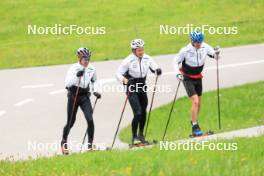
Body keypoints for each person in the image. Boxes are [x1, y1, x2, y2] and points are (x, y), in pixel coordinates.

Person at [116, 39, 162, 145]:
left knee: (144, 112)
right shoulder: (128, 60)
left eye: (142, 50)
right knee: (137, 112)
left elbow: (155, 68)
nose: (141, 52)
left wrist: (158, 71)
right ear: (134, 51)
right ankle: (134, 137)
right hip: (131, 86)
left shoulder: (147, 58)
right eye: (139, 50)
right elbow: (118, 73)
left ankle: (141, 135)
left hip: (142, 85)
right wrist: (125, 80)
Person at [174, 31, 220, 136]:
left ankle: (195, 121)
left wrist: (217, 53)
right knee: (195, 101)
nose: (198, 44)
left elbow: (215, 56)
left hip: (198, 76)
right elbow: (175, 61)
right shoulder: (185, 50)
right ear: (192, 41)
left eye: (200, 42)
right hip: (187, 77)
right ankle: (194, 126)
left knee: (199, 102)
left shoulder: (205, 46)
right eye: (196, 42)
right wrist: (177, 74)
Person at [61, 47, 101, 155]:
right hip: (73, 95)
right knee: (71, 121)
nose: (87, 61)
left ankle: (90, 145)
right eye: (85, 59)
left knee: (90, 119)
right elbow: (67, 83)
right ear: (79, 58)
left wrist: (95, 91)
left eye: (88, 58)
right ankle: (64, 142)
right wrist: (76, 76)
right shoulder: (73, 68)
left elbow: (94, 81)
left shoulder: (92, 69)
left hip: (84, 97)